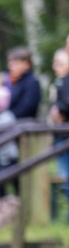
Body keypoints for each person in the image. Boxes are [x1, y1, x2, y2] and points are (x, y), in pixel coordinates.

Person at [51, 49, 69, 212]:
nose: (55, 67)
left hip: (65, 133)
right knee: (64, 176)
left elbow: (65, 103)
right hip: (61, 134)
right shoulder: (60, 82)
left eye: (60, 63)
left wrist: (59, 110)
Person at [5, 46, 41, 120]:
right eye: (10, 64)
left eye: (15, 64)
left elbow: (26, 108)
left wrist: (5, 115)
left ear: (26, 64)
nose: (11, 67)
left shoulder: (32, 82)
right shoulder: (15, 81)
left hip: (23, 125)